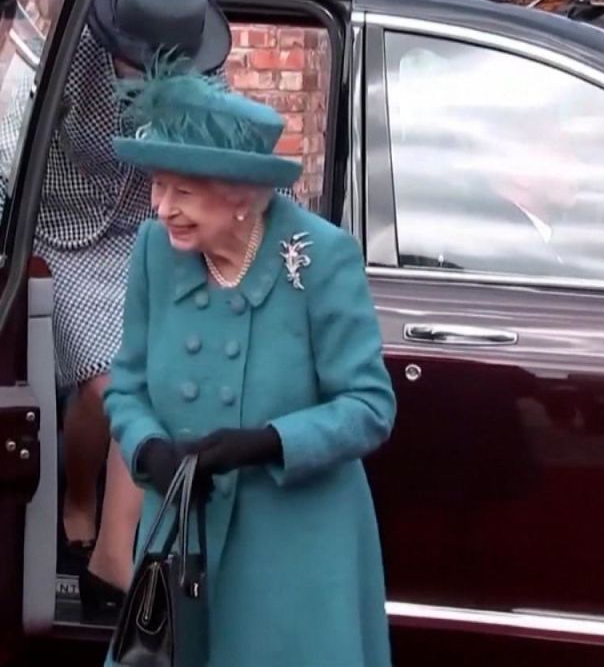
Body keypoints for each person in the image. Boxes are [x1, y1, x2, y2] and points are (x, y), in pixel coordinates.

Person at [103, 64, 397, 666]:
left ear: (239, 193)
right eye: (158, 187)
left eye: (182, 191)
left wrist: (265, 443)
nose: (162, 208)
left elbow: (370, 407)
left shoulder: (321, 258)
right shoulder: (153, 251)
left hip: (294, 550)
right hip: (181, 538)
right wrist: (149, 451)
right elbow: (126, 386)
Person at [0, 0, 232, 621]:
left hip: (151, 239)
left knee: (148, 378)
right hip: (62, 237)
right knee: (113, 383)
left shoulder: (200, 73)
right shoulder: (68, 54)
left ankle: (114, 556)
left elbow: (242, 159)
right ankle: (83, 507)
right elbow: (4, 161)